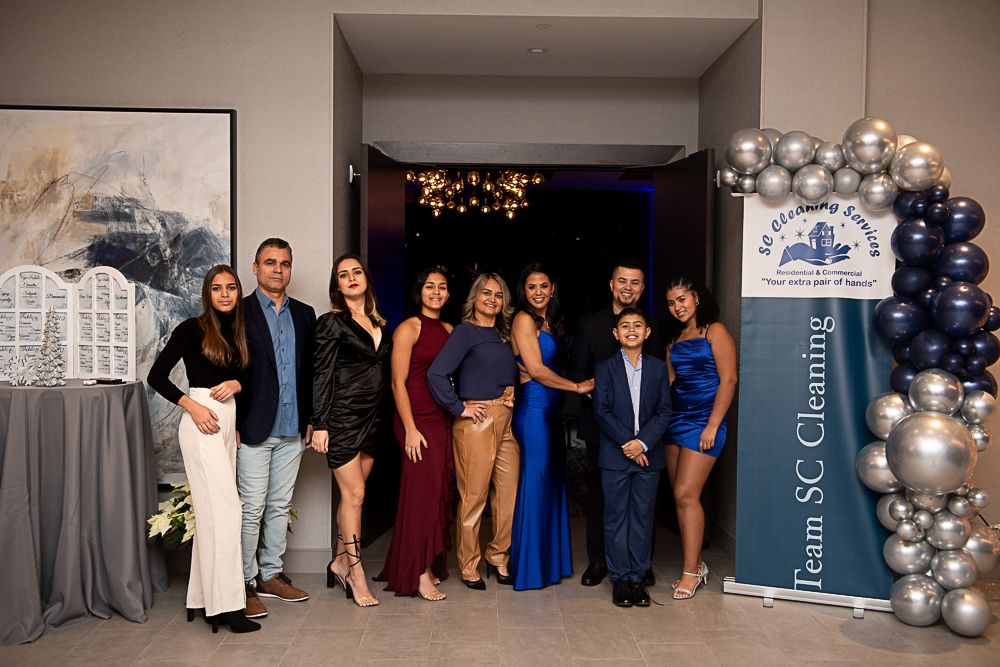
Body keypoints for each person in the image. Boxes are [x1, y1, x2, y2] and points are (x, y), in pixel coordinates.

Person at [147, 265, 260, 633]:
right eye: (217, 288)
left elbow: (246, 377)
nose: (225, 294)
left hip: (227, 423)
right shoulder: (192, 328)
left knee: (214, 516)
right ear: (206, 294)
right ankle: (228, 607)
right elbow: (156, 375)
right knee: (227, 514)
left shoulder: (239, 331)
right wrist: (192, 406)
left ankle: (201, 598)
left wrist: (236, 386)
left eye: (231, 288)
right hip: (201, 421)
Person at [235, 238, 316, 619]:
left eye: (284, 263)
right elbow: (229, 368)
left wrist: (313, 420)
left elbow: (311, 373)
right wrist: (231, 424)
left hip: (292, 428)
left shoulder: (305, 313)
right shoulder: (239, 311)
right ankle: (245, 583)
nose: (277, 270)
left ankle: (271, 576)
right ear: (255, 268)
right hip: (252, 427)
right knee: (251, 510)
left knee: (279, 506)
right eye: (270, 263)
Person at [568, 258, 661, 587]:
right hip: (602, 428)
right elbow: (578, 372)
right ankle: (599, 559)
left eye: (635, 282)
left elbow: (659, 376)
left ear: (642, 288)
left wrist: (642, 436)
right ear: (611, 284)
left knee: (642, 500)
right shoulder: (591, 325)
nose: (628, 287)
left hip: (645, 430)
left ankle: (640, 563)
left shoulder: (652, 324)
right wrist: (604, 402)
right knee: (599, 495)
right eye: (622, 280)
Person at [427, 273, 518, 589]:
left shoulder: (503, 336)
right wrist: (459, 408)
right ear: (474, 298)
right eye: (486, 293)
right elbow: (436, 374)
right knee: (474, 496)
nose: (492, 299)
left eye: (498, 294)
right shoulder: (465, 332)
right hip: (477, 421)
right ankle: (468, 565)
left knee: (507, 496)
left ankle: (498, 555)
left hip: (508, 417)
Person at [310, 253, 391, 607]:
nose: (352, 278)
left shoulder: (378, 322)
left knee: (353, 497)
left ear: (366, 279)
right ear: (337, 285)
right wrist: (321, 423)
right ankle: (355, 573)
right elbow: (322, 374)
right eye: (344, 275)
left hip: (374, 418)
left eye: (357, 271)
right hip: (342, 417)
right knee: (355, 495)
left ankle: (340, 562)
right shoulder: (331, 322)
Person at [509, 264, 593, 590]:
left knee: (553, 484)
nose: (539, 292)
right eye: (532, 287)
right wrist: (576, 387)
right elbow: (536, 370)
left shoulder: (546, 322)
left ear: (552, 288)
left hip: (550, 414)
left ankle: (549, 564)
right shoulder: (523, 320)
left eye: (544, 285)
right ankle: (530, 569)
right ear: (524, 291)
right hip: (533, 413)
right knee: (536, 484)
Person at [374, 267, 454, 600]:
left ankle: (424, 561)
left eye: (443, 287)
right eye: (430, 286)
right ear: (420, 291)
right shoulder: (409, 327)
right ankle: (417, 570)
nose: (436, 291)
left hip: (441, 419)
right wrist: (409, 428)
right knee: (421, 494)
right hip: (416, 419)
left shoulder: (450, 329)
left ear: (448, 294)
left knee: (435, 492)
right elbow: (397, 382)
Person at [593, 307, 672, 608]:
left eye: (637, 325)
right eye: (625, 325)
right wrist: (629, 443)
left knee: (642, 517)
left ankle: (638, 578)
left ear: (647, 332)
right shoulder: (605, 368)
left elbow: (665, 411)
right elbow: (601, 411)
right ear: (616, 333)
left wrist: (642, 443)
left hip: (648, 457)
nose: (631, 329)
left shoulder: (658, 368)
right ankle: (620, 579)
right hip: (615, 457)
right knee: (615, 519)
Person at [663, 276, 736, 600]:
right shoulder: (674, 340)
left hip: (704, 423)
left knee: (686, 494)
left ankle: (691, 572)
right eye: (671, 302)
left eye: (681, 299)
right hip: (675, 422)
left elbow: (729, 379)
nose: (677, 307)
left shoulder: (714, 331)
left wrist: (712, 425)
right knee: (679, 497)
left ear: (696, 298)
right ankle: (697, 563)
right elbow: (669, 384)